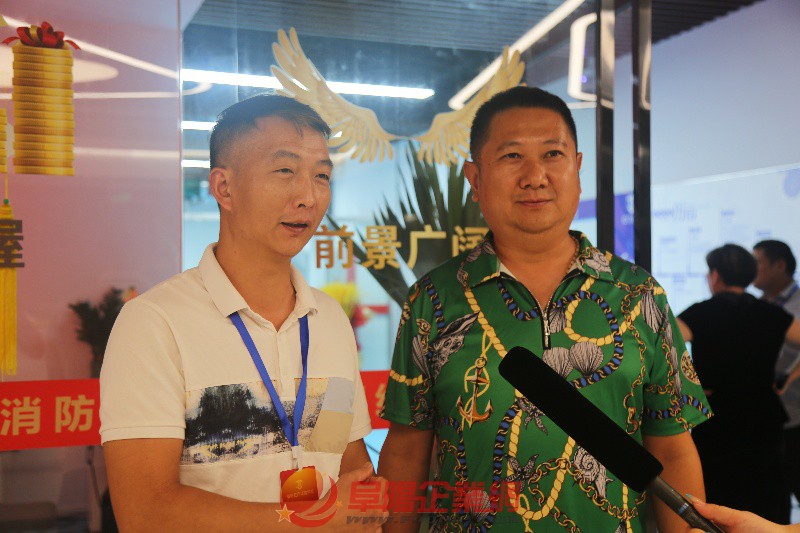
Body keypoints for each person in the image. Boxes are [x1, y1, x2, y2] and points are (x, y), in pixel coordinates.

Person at [378, 86, 712, 532]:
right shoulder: (432, 300)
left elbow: (672, 448)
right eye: (512, 156)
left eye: (553, 154)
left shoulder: (639, 295)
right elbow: (406, 448)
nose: (535, 177)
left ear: (577, 167)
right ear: (475, 178)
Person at [99, 95, 386, 531]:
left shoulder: (328, 319)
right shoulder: (154, 323)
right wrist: (313, 520)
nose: (308, 196)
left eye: (322, 175)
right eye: (285, 171)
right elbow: (144, 514)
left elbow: (341, 459)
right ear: (224, 188)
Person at [676, 244, 800, 524]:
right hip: (764, 415)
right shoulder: (771, 313)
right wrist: (787, 378)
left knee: (720, 500)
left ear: (715, 275)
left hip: (717, 417)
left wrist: (688, 388)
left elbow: (660, 348)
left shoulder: (700, 313)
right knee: (765, 498)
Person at [753, 240, 800, 501]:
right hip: (766, 417)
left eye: (758, 262)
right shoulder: (758, 305)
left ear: (779, 265)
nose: (753, 268)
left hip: (795, 416)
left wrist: (789, 377)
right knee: (773, 495)